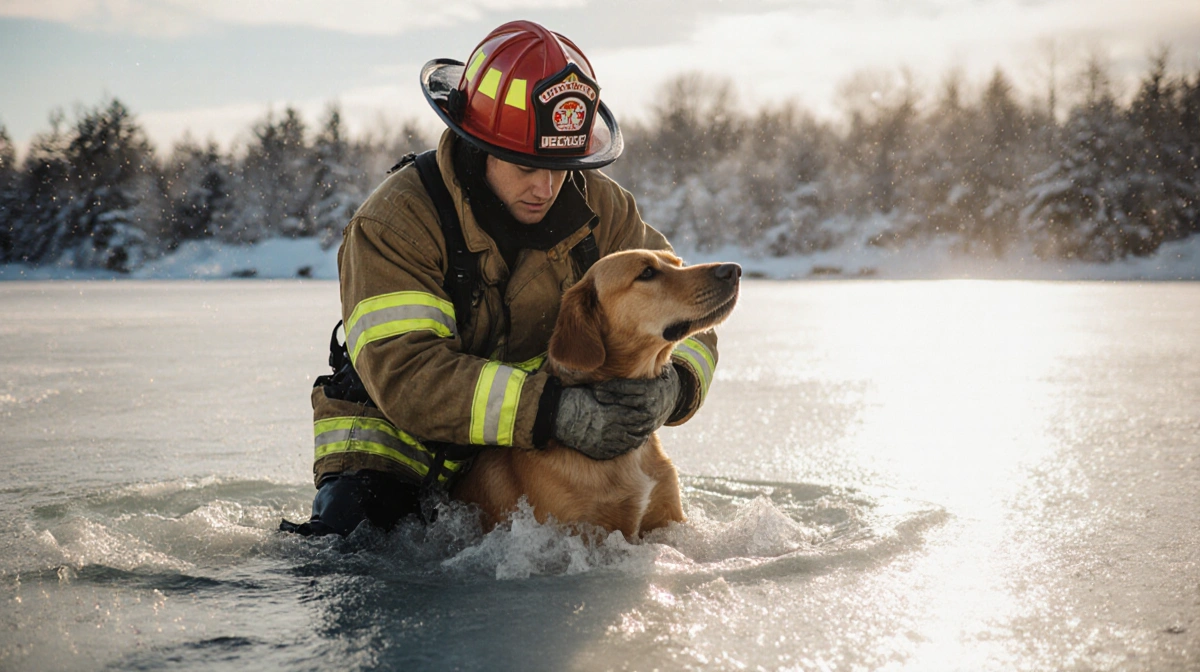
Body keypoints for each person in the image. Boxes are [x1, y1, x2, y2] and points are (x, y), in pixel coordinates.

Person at [281, 20, 719, 537]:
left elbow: (688, 308)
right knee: (357, 547)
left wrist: (676, 386)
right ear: (477, 143)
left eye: (562, 164)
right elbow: (409, 374)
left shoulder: (603, 207)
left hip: (528, 450)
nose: (546, 186)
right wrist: (554, 411)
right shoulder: (396, 222)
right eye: (525, 164)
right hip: (399, 448)